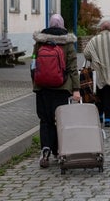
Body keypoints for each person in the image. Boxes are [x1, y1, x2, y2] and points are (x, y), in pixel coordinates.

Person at [32, 14, 81, 168]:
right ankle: (59, 150)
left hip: (42, 88)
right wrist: (76, 89)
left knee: (45, 120)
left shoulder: (40, 42)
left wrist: (36, 82)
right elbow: (73, 68)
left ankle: (45, 149)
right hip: (62, 88)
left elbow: (33, 64)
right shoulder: (67, 43)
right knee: (60, 120)